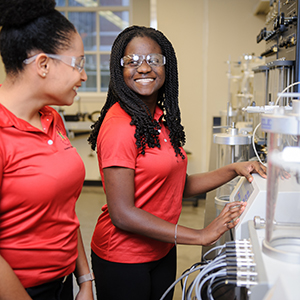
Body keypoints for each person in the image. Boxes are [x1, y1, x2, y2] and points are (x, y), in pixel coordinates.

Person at [88, 25, 267, 300]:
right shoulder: (119, 127)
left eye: (154, 60)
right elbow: (122, 213)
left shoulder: (158, 118)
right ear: (118, 69)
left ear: (166, 66)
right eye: (132, 61)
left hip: (161, 248)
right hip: (124, 258)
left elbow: (175, 186)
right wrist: (200, 235)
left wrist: (233, 170)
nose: (144, 68)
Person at [0, 1, 94, 299]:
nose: (83, 75)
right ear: (43, 64)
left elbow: (63, 208)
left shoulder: (51, 118)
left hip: (63, 283)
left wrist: (86, 279)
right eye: (78, 64)